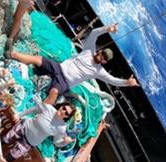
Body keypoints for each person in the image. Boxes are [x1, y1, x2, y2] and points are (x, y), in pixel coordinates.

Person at [10, 23, 138, 104]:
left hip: (64, 82)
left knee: (53, 92)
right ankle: (12, 54)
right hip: (58, 67)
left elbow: (113, 81)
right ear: (99, 51)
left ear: (105, 62)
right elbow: (94, 33)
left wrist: (127, 83)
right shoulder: (89, 50)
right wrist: (107, 29)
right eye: (102, 53)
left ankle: (40, 116)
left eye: (104, 58)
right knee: (38, 59)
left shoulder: (99, 71)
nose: (101, 56)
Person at [3, 98, 74, 161]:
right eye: (64, 108)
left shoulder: (61, 128)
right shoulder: (48, 108)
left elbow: (56, 142)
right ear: (61, 106)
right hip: (23, 127)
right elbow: (34, 109)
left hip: (29, 143)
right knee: (4, 140)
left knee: (10, 158)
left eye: (66, 113)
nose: (63, 111)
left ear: (67, 117)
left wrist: (65, 142)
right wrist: (19, 115)